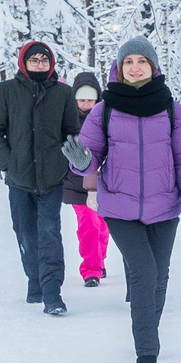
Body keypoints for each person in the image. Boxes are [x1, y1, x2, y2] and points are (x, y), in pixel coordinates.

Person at [63, 35, 181, 363]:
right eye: (128, 62)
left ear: (153, 67)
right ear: (119, 68)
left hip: (165, 206)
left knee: (160, 276)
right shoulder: (105, 109)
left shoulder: (172, 109)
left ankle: (147, 331)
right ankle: (147, 353)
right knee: (144, 273)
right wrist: (81, 161)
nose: (135, 67)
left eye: (141, 61)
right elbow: (89, 155)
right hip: (119, 207)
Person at [0, 42, 82, 316]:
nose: (40, 64)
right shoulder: (5, 91)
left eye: (44, 60)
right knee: (25, 231)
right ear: (23, 62)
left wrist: (65, 162)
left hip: (52, 177)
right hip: (19, 176)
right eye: (34, 59)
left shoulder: (64, 93)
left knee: (49, 233)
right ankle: (34, 281)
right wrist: (7, 163)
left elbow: (72, 132)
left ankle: (52, 293)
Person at [63, 67, 109, 289]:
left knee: (103, 225)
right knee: (88, 226)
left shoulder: (106, 117)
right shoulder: (66, 118)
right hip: (76, 184)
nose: (85, 104)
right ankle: (91, 270)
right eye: (81, 100)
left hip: (104, 183)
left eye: (90, 100)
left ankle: (100, 260)